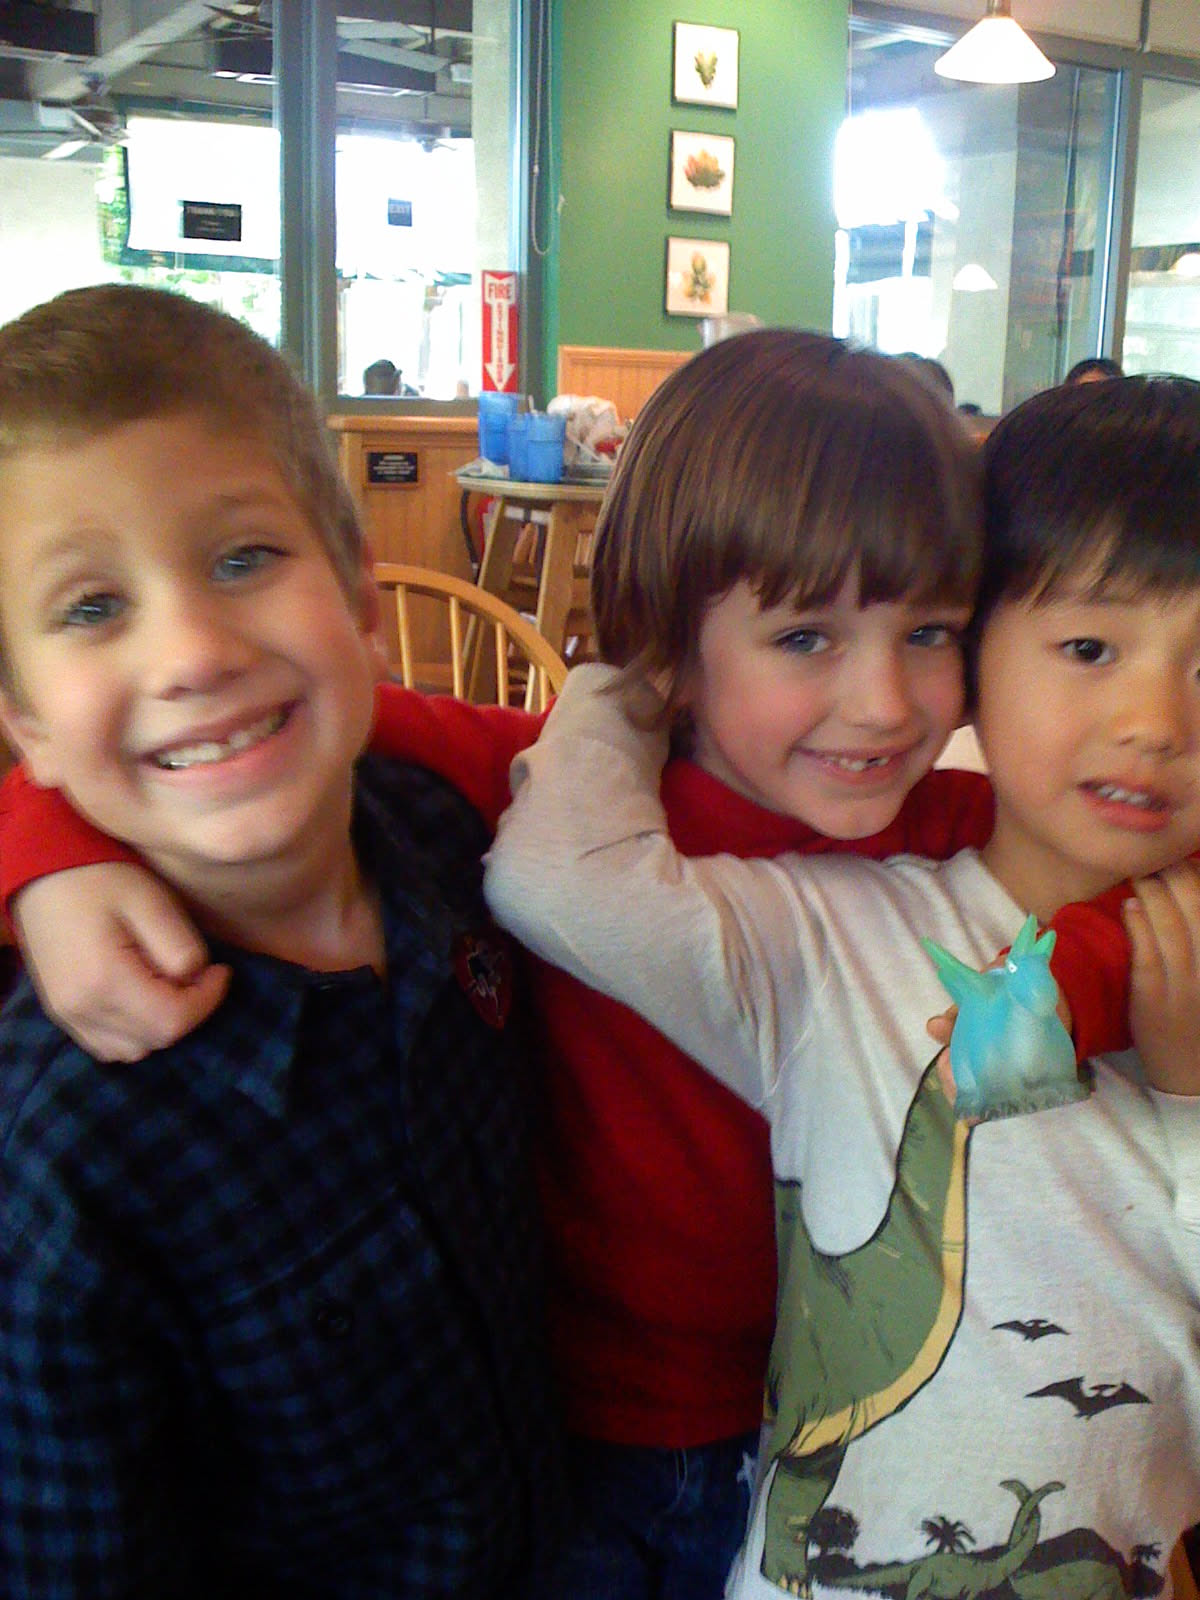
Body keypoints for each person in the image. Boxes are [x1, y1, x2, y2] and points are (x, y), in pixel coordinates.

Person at [0, 331, 1135, 1597]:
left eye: (929, 631)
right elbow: (261, 731)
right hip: (567, 1443)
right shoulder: (552, 786)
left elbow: (1120, 879)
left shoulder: (959, 831)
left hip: (837, 1418)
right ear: (668, 646)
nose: (882, 701)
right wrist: (45, 850)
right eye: (807, 636)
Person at [483, 374, 1200, 1597]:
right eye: (1089, 647)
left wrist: (1188, 1097)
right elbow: (560, 879)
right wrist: (639, 670)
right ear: (984, 655)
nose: (1156, 720)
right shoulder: (838, 932)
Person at [0, 284, 561, 1599]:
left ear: (363, 606)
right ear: (23, 730)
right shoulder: (59, 1158)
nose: (193, 651)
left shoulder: (454, 841)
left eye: (243, 559)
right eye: (92, 607)